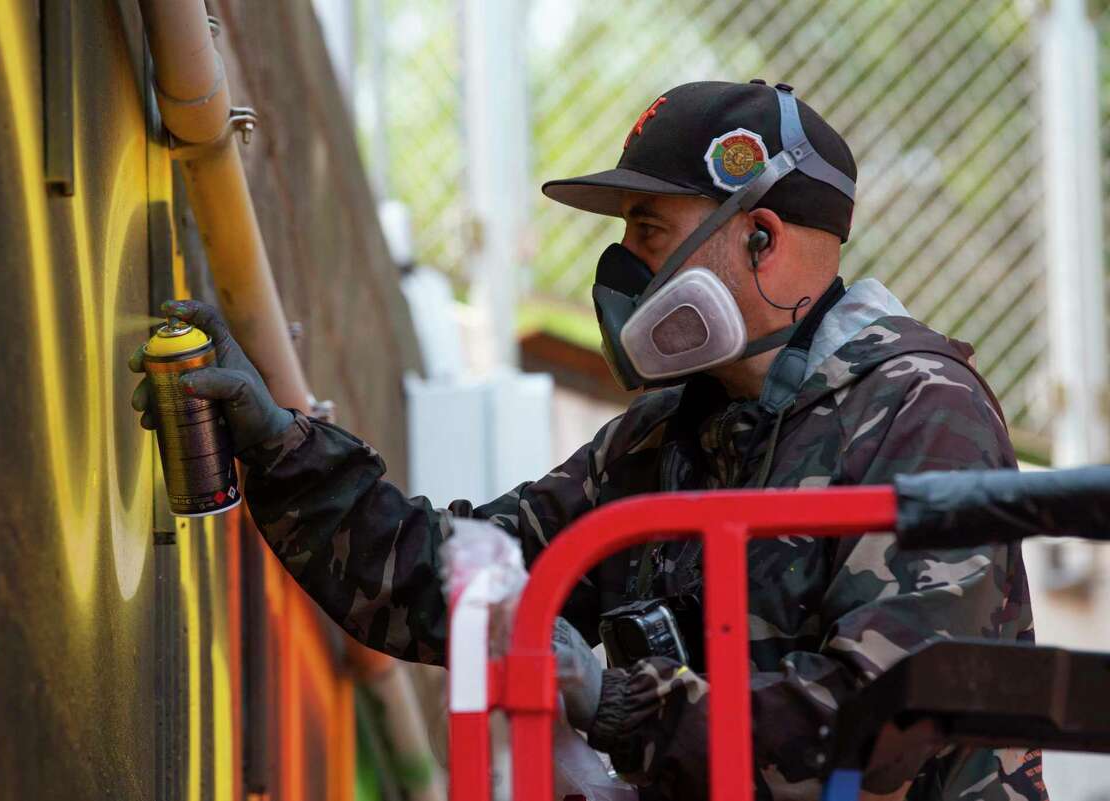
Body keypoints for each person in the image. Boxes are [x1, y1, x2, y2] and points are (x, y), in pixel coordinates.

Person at [130, 80, 1045, 800]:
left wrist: (617, 705)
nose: (624, 267)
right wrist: (282, 447)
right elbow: (451, 579)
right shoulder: (665, 438)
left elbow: (876, 724)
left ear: (761, 240)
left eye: (649, 230)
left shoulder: (923, 413)